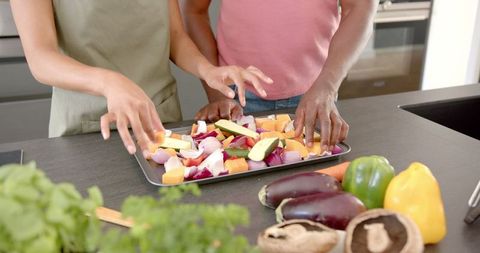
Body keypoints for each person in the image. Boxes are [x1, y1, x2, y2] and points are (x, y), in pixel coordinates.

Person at [11, 0, 272, 158]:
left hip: (161, 122)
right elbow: (40, 58)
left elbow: (175, 37)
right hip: (86, 131)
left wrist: (206, 69)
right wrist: (108, 82)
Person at [181, 0, 377, 152]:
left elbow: (360, 7)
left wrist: (327, 87)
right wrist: (218, 94)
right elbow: (194, 11)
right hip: (235, 99)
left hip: (315, 97)